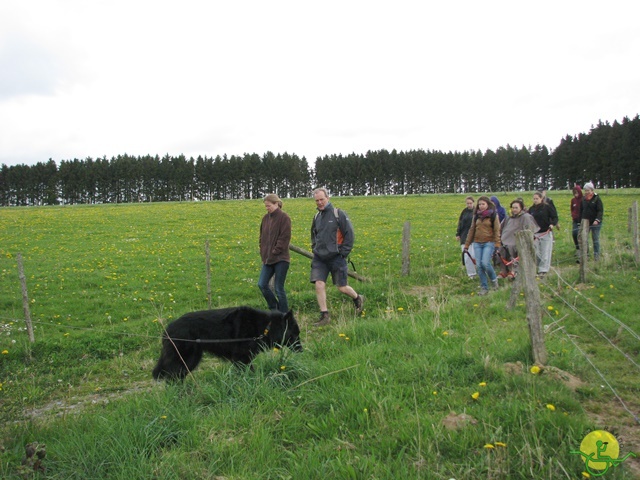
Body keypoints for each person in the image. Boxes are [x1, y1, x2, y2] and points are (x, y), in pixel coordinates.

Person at [310, 188, 364, 326]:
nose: (320, 203)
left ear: (328, 198)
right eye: (317, 200)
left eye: (322, 199)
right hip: (320, 258)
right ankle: (325, 315)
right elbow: (313, 235)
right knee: (319, 284)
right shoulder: (316, 217)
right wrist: (315, 248)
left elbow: (349, 235)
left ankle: (357, 298)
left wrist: (343, 253)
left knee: (342, 287)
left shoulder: (338, 214)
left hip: (336, 257)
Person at [258, 193, 291, 313]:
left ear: (276, 203)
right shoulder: (265, 218)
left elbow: (284, 237)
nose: (267, 208)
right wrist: (263, 251)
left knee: (278, 288)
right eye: (265, 206)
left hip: (281, 259)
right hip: (267, 259)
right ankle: (274, 308)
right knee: (262, 284)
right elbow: (262, 237)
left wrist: (275, 251)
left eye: (269, 206)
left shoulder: (284, 218)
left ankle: (284, 314)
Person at [463, 196, 501, 296]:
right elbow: (472, 230)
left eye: (483, 204)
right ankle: (484, 287)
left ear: (488, 204)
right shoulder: (476, 216)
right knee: (479, 266)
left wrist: (497, 244)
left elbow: (497, 230)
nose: (481, 206)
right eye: (479, 204)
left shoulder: (493, 215)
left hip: (489, 242)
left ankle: (494, 280)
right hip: (477, 243)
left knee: (485, 263)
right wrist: (467, 245)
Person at [497, 199, 539, 278]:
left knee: (512, 248)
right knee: (501, 250)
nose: (514, 210)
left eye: (516, 208)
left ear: (521, 208)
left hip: (518, 241)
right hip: (505, 240)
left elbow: (529, 231)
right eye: (513, 208)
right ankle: (503, 271)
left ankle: (513, 270)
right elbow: (502, 228)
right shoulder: (508, 218)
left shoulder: (526, 217)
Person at [529, 191, 557, 277]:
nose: (535, 200)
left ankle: (543, 270)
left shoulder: (547, 207)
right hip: (535, 233)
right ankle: (536, 267)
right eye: (534, 199)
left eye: (537, 198)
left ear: (541, 199)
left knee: (545, 251)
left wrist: (552, 224)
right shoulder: (531, 209)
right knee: (536, 252)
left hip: (546, 232)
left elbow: (555, 217)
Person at [580, 182, 604, 261]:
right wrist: (581, 220)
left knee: (595, 239)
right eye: (585, 190)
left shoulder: (596, 198)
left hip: (595, 223)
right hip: (585, 222)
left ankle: (596, 256)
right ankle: (585, 255)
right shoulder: (583, 199)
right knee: (584, 238)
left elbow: (600, 211)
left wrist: (597, 220)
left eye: (588, 190)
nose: (587, 192)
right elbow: (581, 210)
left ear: (592, 190)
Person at [456, 196, 477, 279]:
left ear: (473, 203)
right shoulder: (464, 212)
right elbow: (460, 223)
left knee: (473, 255)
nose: (469, 205)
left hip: (474, 236)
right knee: (466, 256)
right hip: (464, 236)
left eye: (470, 203)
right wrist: (458, 234)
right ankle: (471, 274)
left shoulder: (476, 212)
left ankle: (477, 270)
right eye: (467, 203)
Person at [570, 185, 583, 260]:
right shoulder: (573, 200)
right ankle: (577, 248)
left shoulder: (583, 199)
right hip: (575, 220)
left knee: (581, 235)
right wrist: (573, 215)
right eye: (574, 193)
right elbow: (572, 209)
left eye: (577, 193)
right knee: (574, 233)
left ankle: (584, 251)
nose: (576, 194)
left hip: (582, 220)